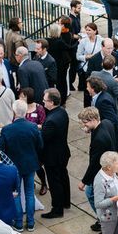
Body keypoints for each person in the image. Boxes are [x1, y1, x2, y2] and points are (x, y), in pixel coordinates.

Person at [0, 100, 43, 232]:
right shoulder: (33, 127)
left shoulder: (7, 129)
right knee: (29, 193)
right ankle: (30, 222)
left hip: (14, 167)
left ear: (14, 112)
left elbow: (0, 149)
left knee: (16, 194)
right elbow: (40, 145)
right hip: (30, 165)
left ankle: (18, 223)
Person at [79, 107, 118, 234]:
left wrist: (84, 181)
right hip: (110, 167)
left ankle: (105, 226)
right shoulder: (106, 123)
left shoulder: (99, 139)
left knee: (93, 196)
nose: (83, 125)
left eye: (85, 123)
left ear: (94, 120)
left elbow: (95, 163)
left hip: (102, 173)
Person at [40, 89, 71, 218]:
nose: (43, 102)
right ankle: (65, 201)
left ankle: (57, 209)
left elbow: (43, 138)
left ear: (51, 102)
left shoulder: (51, 120)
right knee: (63, 177)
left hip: (53, 156)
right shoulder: (62, 112)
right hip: (63, 152)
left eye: (45, 100)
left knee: (54, 182)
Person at [19, 87, 47, 195]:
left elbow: (43, 125)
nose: (19, 98)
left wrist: (31, 126)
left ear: (27, 97)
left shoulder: (39, 108)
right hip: (23, 141)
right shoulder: (20, 109)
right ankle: (30, 182)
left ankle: (44, 183)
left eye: (21, 96)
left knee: (38, 165)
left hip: (35, 141)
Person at [90, 54, 118, 122]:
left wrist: (112, 80)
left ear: (102, 63)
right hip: (110, 110)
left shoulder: (93, 74)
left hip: (96, 107)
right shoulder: (113, 82)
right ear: (113, 66)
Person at [88, 77, 118, 148]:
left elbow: (112, 121)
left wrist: (94, 126)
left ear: (93, 88)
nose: (87, 89)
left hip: (107, 140)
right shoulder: (99, 96)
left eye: (88, 87)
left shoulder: (104, 101)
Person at [48, 21, 76, 104]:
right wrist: (77, 42)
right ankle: (62, 100)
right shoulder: (59, 42)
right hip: (61, 65)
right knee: (62, 83)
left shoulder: (47, 40)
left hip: (52, 65)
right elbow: (69, 48)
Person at [76, 22, 104, 105]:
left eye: (89, 30)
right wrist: (86, 57)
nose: (87, 32)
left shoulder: (101, 40)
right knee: (88, 91)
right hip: (87, 69)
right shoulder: (83, 41)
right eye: (86, 30)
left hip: (99, 67)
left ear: (95, 31)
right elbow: (78, 56)